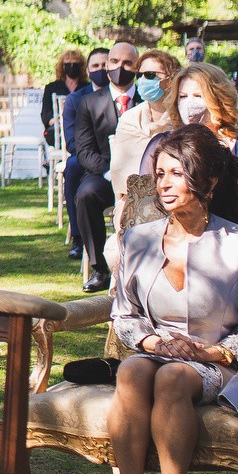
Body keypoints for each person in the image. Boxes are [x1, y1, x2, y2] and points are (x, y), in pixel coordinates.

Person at [107, 126, 238, 474]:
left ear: (208, 182)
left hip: (218, 360)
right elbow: (123, 315)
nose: (163, 184)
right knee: (132, 371)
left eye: (176, 174)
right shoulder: (137, 239)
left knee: (173, 378)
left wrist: (210, 353)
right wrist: (152, 340)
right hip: (156, 350)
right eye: (160, 173)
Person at [68, 41, 141, 292]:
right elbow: (84, 151)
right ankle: (100, 268)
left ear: (137, 67)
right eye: (115, 62)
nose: (120, 68)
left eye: (128, 63)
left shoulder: (148, 100)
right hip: (104, 174)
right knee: (85, 195)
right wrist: (113, 174)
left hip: (144, 176)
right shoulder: (89, 103)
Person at [149, 62, 238, 174]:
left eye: (198, 96)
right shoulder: (161, 143)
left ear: (219, 99)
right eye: (182, 96)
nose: (189, 104)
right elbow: (146, 192)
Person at [109, 48, 183, 222]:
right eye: (140, 75)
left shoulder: (181, 119)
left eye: (150, 75)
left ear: (170, 79)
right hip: (134, 198)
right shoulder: (129, 119)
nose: (143, 80)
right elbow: (120, 171)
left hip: (178, 198)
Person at [59, 47, 111, 270]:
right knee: (72, 166)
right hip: (86, 157)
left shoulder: (122, 96)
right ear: (88, 71)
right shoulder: (76, 100)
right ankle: (79, 237)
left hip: (117, 159)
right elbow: (73, 143)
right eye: (96, 66)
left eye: (105, 65)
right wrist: (100, 163)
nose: (101, 69)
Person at [42, 47, 88, 145]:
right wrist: (61, 122)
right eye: (68, 64)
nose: (72, 67)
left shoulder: (87, 88)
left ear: (81, 66)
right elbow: (46, 115)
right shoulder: (51, 88)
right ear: (62, 66)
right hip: (58, 131)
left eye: (75, 64)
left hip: (82, 129)